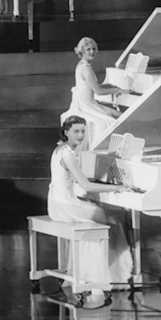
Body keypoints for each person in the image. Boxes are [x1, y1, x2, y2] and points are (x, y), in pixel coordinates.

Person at [46, 115, 133, 286]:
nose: (80, 135)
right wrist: (117, 187)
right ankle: (111, 275)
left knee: (101, 217)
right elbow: (86, 186)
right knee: (113, 222)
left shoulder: (61, 149)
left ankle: (101, 272)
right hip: (65, 206)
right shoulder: (67, 154)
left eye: (83, 131)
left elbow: (75, 181)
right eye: (76, 131)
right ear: (66, 132)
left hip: (58, 202)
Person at [62, 37, 116, 140]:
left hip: (86, 103)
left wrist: (111, 86)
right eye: (88, 49)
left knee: (117, 115)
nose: (92, 52)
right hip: (87, 106)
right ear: (82, 51)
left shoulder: (82, 64)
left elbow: (93, 86)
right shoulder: (86, 68)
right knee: (114, 119)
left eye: (94, 49)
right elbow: (98, 91)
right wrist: (117, 90)